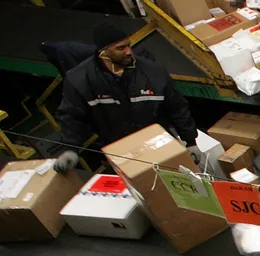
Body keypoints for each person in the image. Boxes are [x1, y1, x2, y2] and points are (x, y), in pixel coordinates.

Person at [54, 22, 201, 174]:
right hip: (120, 151)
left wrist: (190, 141)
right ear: (103, 53)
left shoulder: (153, 72)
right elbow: (71, 116)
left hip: (160, 145)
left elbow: (177, 107)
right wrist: (70, 149)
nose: (129, 52)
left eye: (128, 45)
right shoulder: (80, 79)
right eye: (120, 48)